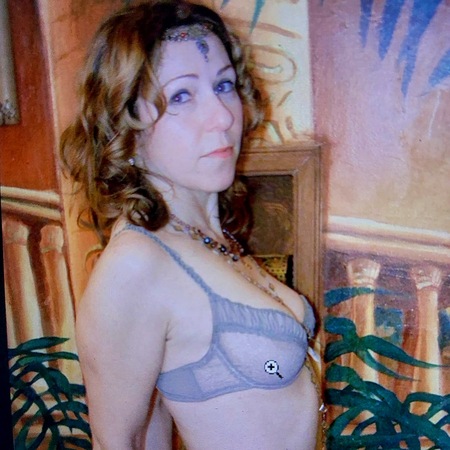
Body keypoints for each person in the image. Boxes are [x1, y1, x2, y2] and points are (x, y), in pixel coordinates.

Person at [60, 1, 320, 449]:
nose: (223, 117)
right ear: (126, 126)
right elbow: (120, 442)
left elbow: (157, 422)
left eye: (224, 85)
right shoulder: (135, 264)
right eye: (181, 95)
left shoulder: (212, 238)